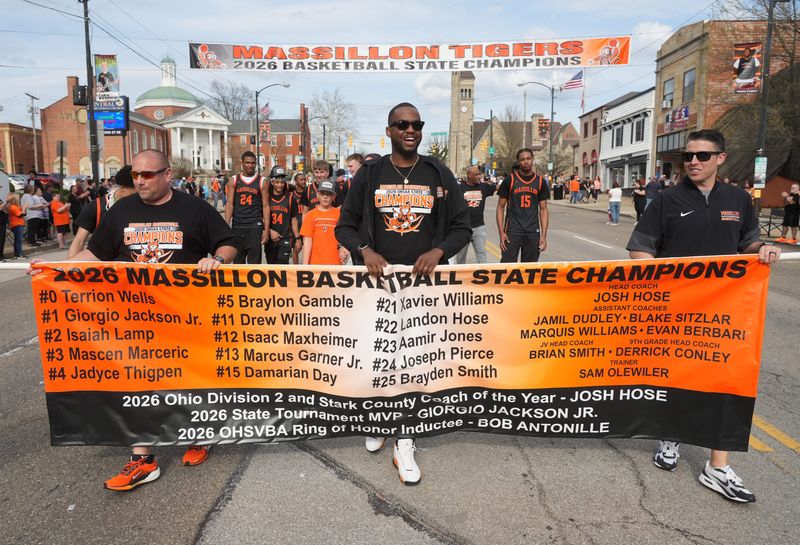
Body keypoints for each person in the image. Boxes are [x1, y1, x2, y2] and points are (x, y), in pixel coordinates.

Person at [32, 149, 237, 491]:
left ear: (167, 175)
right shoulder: (122, 211)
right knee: (136, 382)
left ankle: (197, 435)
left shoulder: (194, 208)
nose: (140, 181)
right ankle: (143, 459)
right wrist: (54, 269)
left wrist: (216, 260)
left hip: (184, 314)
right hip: (134, 316)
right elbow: (95, 254)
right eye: (136, 175)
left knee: (187, 379)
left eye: (148, 175)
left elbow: (228, 243)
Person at [626, 129, 781, 503]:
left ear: (720, 159)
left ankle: (717, 466)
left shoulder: (739, 200)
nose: (693, 161)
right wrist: (660, 287)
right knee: (678, 377)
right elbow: (639, 249)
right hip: (677, 311)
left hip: (725, 312)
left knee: (725, 381)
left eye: (703, 155)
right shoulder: (665, 200)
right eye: (689, 156)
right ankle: (670, 437)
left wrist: (764, 249)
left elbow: (749, 241)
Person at [336, 102, 470, 485]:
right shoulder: (371, 173)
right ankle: (379, 419)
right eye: (401, 124)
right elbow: (345, 227)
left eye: (416, 124)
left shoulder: (438, 173)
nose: (410, 130)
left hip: (423, 286)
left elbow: (462, 226)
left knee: (413, 362)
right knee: (378, 357)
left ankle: (405, 439)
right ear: (390, 129)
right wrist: (365, 251)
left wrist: (439, 250)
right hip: (378, 285)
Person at [68, 166, 138, 258]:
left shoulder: (141, 206)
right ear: (122, 188)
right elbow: (79, 241)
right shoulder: (96, 206)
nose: (138, 197)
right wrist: (69, 268)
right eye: (135, 193)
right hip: (102, 266)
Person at [496, 148, 550, 263]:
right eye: (522, 159)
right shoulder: (509, 180)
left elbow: (543, 210)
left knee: (529, 271)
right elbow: (500, 207)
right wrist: (501, 233)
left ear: (532, 160)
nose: (526, 162)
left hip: (532, 231)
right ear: (518, 162)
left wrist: (543, 236)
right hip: (512, 230)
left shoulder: (540, 182)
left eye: (528, 159)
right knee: (507, 269)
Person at [225, 151, 269, 264]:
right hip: (238, 224)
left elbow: (265, 206)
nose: (250, 165)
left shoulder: (262, 181)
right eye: (247, 162)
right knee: (238, 261)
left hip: (255, 225)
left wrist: (266, 229)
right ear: (242, 163)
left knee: (255, 263)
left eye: (253, 163)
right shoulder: (234, 180)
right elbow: (230, 204)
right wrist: (226, 225)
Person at [300, 180, 348, 265]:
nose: (325, 197)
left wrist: (345, 249)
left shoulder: (340, 214)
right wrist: (305, 265)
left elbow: (345, 237)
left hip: (335, 264)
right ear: (317, 195)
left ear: (334, 196)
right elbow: (307, 242)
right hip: (315, 264)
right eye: (322, 193)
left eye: (329, 194)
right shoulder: (310, 215)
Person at [456, 165, 496, 264]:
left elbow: (501, 187)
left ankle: (484, 275)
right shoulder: (459, 188)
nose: (479, 176)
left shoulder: (484, 187)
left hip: (479, 227)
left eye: (479, 174)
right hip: (463, 228)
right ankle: (460, 277)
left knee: (481, 253)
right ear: (469, 175)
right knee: (461, 255)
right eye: (476, 174)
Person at [264, 166, 300, 265]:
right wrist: (270, 231)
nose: (280, 185)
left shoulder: (290, 199)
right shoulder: (266, 199)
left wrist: (297, 238)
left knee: (282, 265)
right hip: (270, 240)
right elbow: (260, 217)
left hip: (285, 238)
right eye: (277, 182)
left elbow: (293, 219)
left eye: (282, 182)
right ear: (271, 182)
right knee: (271, 266)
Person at [5, 194, 26, 259]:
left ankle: (17, 254)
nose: (19, 200)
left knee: (17, 240)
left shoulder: (16, 206)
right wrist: (24, 207)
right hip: (17, 225)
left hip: (18, 224)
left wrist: (24, 209)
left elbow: (24, 213)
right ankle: (19, 254)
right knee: (18, 240)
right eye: (18, 198)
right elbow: (20, 215)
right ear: (15, 200)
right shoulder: (13, 207)